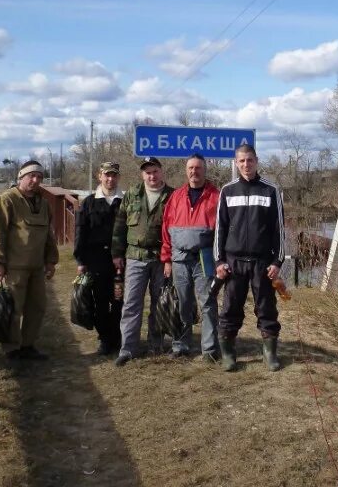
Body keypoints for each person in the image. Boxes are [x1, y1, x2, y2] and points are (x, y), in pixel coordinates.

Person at [214, 144, 285, 372]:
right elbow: (220, 230)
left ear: (257, 161)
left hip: (262, 263)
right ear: (236, 163)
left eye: (250, 160)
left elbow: (279, 231)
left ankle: (269, 354)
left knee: (267, 309)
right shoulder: (227, 191)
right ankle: (228, 354)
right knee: (230, 309)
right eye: (242, 161)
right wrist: (219, 261)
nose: (246, 165)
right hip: (233, 263)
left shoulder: (271, 190)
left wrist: (277, 262)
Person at [0, 160, 58, 360]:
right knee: (12, 309)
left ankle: (27, 345)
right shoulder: (7, 199)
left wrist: (51, 260)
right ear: (21, 177)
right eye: (31, 176)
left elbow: (49, 234)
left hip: (36, 267)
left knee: (37, 307)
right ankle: (11, 349)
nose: (35, 180)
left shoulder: (43, 203)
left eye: (39, 177)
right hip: (12, 268)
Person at [112, 156, 173, 366]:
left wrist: (170, 259)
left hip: (160, 258)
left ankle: (156, 344)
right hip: (134, 257)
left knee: (159, 303)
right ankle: (128, 348)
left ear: (161, 172)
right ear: (142, 174)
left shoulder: (172, 196)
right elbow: (120, 226)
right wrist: (117, 254)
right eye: (147, 172)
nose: (152, 176)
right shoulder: (132, 194)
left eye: (155, 171)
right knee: (131, 304)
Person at [160, 153, 221, 362]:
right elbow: (166, 229)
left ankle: (210, 350)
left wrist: (221, 260)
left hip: (204, 258)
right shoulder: (175, 197)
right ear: (186, 171)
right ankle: (181, 344)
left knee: (208, 302)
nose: (194, 171)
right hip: (178, 259)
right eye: (191, 168)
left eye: (198, 168)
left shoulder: (216, 196)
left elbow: (223, 231)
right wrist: (167, 259)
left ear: (205, 170)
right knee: (182, 302)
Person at [74, 161, 124, 355]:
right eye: (107, 175)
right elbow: (80, 232)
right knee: (100, 302)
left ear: (118, 177)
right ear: (100, 176)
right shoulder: (88, 202)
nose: (110, 179)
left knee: (119, 300)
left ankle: (117, 338)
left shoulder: (125, 201)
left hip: (119, 261)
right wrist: (81, 261)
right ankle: (104, 339)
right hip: (96, 261)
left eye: (114, 175)